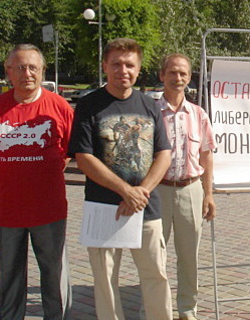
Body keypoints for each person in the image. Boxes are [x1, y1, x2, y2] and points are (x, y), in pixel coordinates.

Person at [69, 38, 173, 320]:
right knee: (105, 282)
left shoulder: (150, 106)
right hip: (103, 208)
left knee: (156, 277)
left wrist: (140, 193)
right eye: (116, 64)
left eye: (129, 65)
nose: (122, 70)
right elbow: (84, 158)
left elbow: (163, 153)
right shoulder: (89, 105)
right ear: (105, 66)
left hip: (146, 209)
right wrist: (125, 191)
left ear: (139, 69)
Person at [0, 44, 73, 319]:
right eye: (19, 67)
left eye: (33, 67)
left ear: (42, 71)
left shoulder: (59, 107)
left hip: (49, 212)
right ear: (8, 72)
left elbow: (71, 151)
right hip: (5, 213)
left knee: (54, 278)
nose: (26, 73)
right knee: (7, 279)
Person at [156, 53, 217, 320]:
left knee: (189, 256)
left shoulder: (199, 114)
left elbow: (206, 155)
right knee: (153, 255)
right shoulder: (150, 112)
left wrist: (208, 194)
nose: (177, 78)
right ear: (162, 75)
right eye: (172, 72)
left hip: (191, 190)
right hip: (157, 191)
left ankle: (186, 309)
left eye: (182, 73)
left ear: (189, 78)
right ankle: (155, 307)